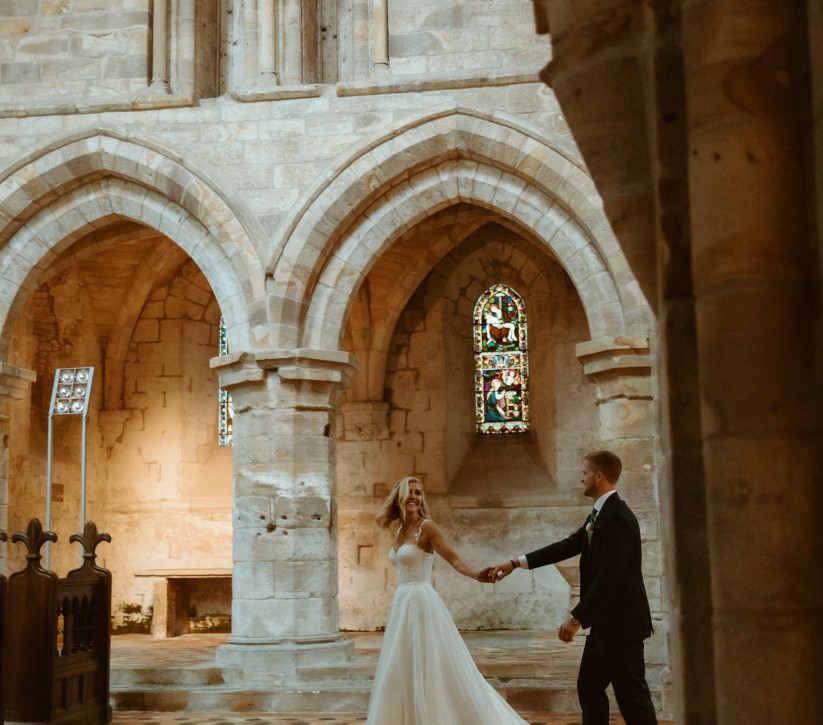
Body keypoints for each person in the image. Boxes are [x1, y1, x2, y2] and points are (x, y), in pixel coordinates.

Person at [493, 450, 658, 725]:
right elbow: (569, 545)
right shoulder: (601, 513)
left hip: (623, 626)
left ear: (598, 476)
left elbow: (609, 576)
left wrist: (577, 617)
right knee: (589, 687)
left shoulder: (617, 517)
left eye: (584, 473)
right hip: (606, 626)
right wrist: (516, 563)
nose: (581, 479)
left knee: (633, 700)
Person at [366, 476, 529, 725]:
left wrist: (477, 575)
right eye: (409, 492)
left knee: (429, 665)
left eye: (418, 493)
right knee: (399, 667)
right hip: (402, 602)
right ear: (399, 497)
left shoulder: (427, 527)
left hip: (421, 601)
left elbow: (453, 558)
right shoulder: (398, 528)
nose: (414, 496)